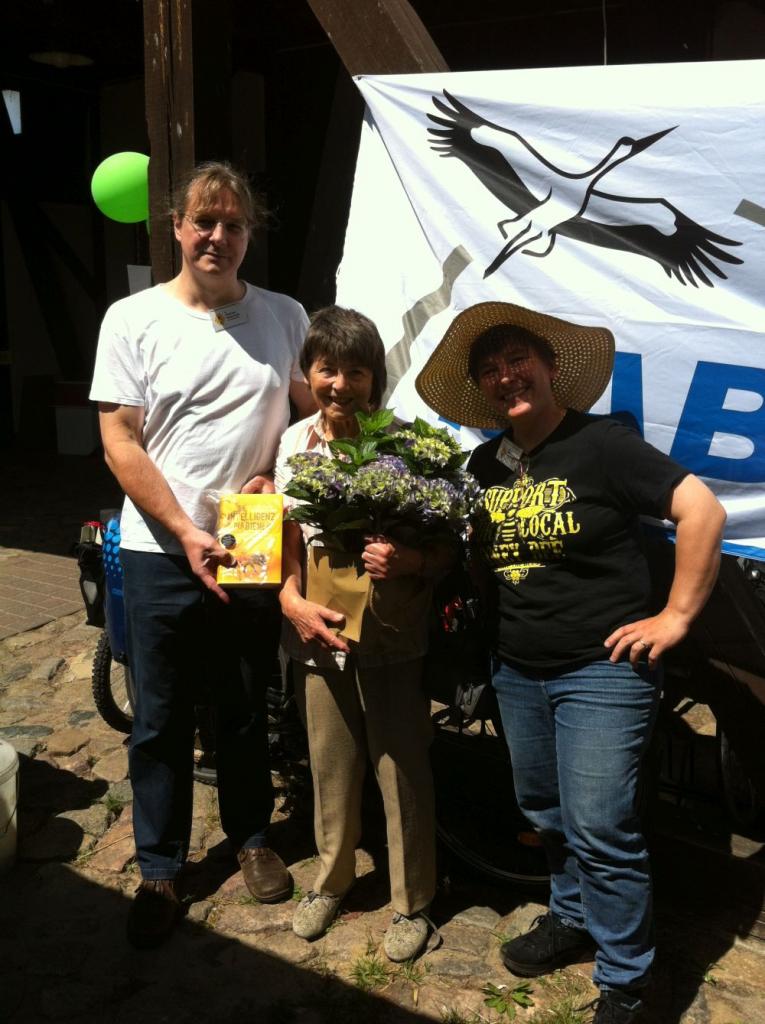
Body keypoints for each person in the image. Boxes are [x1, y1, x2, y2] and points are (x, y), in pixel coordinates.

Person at [415, 301, 726, 1023]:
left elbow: (700, 511)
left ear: (551, 367)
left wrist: (675, 616)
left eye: (516, 359)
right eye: (489, 369)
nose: (504, 376)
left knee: (600, 825)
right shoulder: (481, 466)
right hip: (517, 668)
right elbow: (472, 557)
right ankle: (570, 915)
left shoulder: (603, 445)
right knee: (546, 812)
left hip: (601, 670)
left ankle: (624, 980)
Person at [90, 161, 316, 948]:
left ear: (250, 233)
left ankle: (251, 837)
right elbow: (118, 438)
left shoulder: (285, 315)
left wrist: (278, 473)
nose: (217, 236)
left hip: (249, 537)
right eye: (203, 222)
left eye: (233, 224)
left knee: (246, 705)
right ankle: (160, 865)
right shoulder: (132, 318)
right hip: (159, 544)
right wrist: (183, 529)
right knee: (158, 715)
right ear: (177, 229)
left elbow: (314, 418)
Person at [274, 306, 451, 962]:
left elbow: (448, 546)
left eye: (355, 371)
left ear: (375, 379)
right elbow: (287, 538)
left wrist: (410, 560)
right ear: (308, 373)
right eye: (327, 369)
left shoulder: (406, 442)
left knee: (399, 762)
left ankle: (412, 901)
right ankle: (331, 880)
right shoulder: (294, 445)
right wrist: (289, 599)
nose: (340, 384)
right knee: (330, 760)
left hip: (392, 623)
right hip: (317, 624)